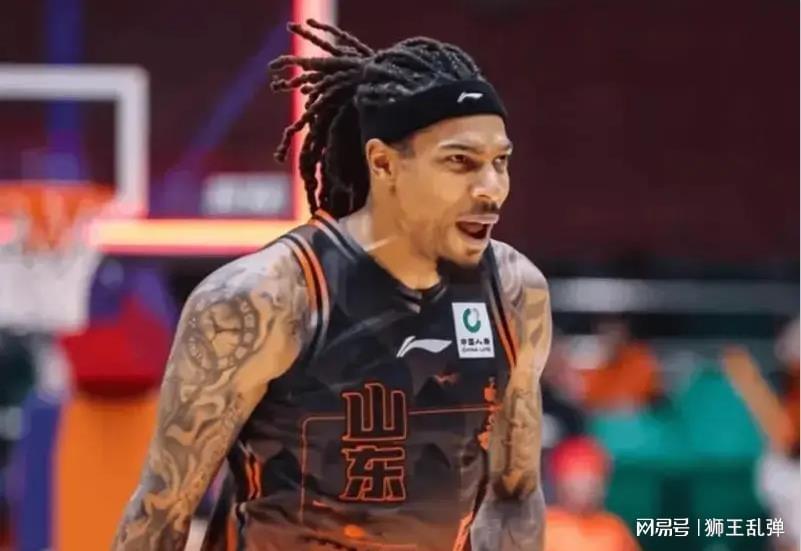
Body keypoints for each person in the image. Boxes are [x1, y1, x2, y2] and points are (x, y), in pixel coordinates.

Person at [113, 19, 552, 551]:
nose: (491, 189)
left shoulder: (513, 294)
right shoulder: (262, 301)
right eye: (460, 162)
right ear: (383, 163)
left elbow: (515, 492)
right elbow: (162, 512)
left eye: (500, 162)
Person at [544, 436, 639, 551]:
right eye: (577, 480)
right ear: (560, 483)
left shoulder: (615, 529)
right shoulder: (543, 526)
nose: (585, 488)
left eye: (592, 480)